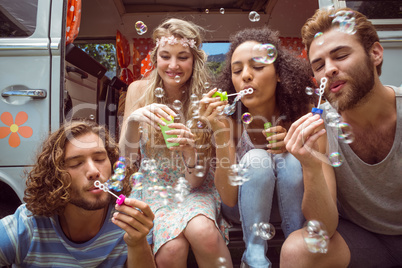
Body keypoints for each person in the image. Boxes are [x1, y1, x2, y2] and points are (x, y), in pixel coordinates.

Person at [281, 7, 402, 268]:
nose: (330, 70)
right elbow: (323, 226)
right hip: (363, 239)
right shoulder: (321, 125)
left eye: (341, 55)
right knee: (296, 251)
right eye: (319, 65)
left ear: (375, 54)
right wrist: (310, 165)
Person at [119, 18, 232, 268]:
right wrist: (134, 122)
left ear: (195, 59)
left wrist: (190, 151)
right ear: (155, 57)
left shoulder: (207, 98)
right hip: (152, 185)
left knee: (204, 232)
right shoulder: (138, 90)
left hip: (195, 185)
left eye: (183, 57)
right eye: (165, 56)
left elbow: (196, 179)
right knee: (171, 249)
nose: (173, 65)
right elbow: (125, 159)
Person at [200, 27, 314, 267]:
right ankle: (253, 258)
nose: (246, 76)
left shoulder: (299, 116)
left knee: (292, 161)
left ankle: (297, 247)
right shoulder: (229, 123)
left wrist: (295, 148)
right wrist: (219, 133)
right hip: (241, 209)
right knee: (255, 160)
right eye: (237, 70)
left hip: (292, 208)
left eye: (258, 67)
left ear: (279, 74)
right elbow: (229, 199)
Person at [0, 121, 155, 267]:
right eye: (76, 163)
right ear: (55, 176)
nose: (94, 171)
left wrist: (137, 242)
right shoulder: (28, 226)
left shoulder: (129, 222)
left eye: (100, 159)